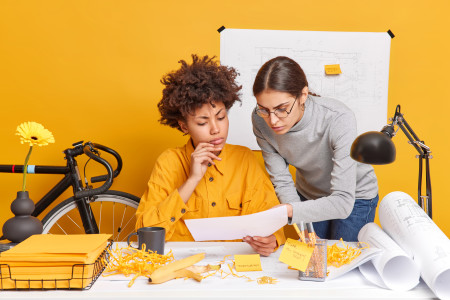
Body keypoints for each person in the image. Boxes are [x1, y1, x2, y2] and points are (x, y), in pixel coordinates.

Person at [135, 55, 285, 256]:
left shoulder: (244, 159)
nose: (216, 129)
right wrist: (192, 180)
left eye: (221, 117)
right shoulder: (169, 162)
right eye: (202, 123)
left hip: (234, 269)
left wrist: (272, 240)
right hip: (181, 269)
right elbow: (145, 231)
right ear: (184, 126)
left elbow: (271, 220)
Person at [251, 56, 379, 242]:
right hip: (309, 196)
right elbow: (282, 181)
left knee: (343, 264)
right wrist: (299, 222)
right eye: (264, 109)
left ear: (303, 95)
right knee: (313, 264)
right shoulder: (259, 120)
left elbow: (343, 202)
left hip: (354, 197)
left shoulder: (338, 118)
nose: (272, 120)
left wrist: (290, 211)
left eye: (282, 108)